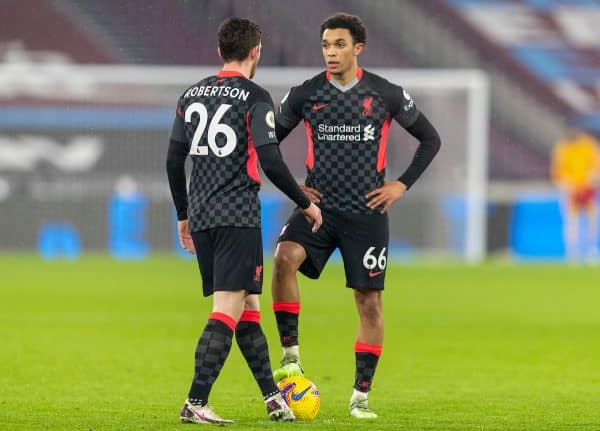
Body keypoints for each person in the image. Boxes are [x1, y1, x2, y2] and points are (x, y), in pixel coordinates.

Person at [270, 13, 441, 419]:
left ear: (358, 48)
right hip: (319, 209)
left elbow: (430, 140)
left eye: (340, 45)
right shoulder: (305, 94)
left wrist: (401, 184)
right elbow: (267, 144)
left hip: (367, 213)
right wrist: (297, 190)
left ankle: (360, 396)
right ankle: (291, 356)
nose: (331, 52)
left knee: (369, 304)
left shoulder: (386, 93)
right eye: (326, 45)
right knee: (282, 259)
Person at [166, 17, 322, 424]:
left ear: (220, 51)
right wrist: (304, 202)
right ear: (256, 52)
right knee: (227, 309)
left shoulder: (191, 94)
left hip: (201, 214)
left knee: (249, 307)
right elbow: (270, 161)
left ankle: (273, 398)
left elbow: (172, 160)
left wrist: (183, 215)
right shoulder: (255, 96)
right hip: (237, 214)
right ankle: (196, 402)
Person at [551, 129, 600, 261]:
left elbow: (596, 168)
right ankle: (572, 252)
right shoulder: (563, 148)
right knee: (571, 222)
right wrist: (568, 185)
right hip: (571, 191)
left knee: (592, 220)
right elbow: (558, 172)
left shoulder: (589, 146)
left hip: (588, 190)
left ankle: (591, 250)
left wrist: (591, 182)